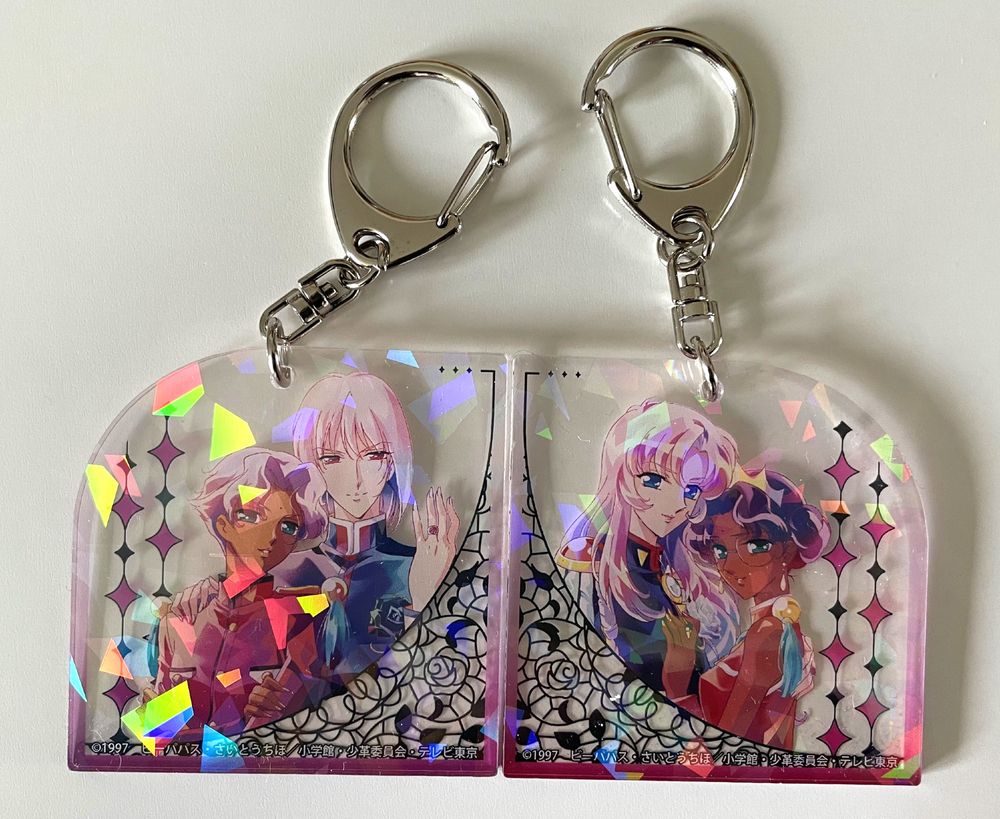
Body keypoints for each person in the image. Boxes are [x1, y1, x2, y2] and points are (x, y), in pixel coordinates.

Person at [557, 400, 740, 690]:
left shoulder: (678, 570)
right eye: (653, 480)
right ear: (620, 476)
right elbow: (575, 655)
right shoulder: (587, 561)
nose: (675, 503)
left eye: (691, 489)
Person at [148, 448, 330, 737]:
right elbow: (156, 733)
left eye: (288, 526)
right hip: (182, 762)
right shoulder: (183, 613)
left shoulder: (301, 615)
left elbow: (297, 723)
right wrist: (155, 717)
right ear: (223, 524)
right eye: (253, 515)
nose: (272, 536)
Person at [660, 469, 830, 749]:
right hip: (759, 769)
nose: (730, 566)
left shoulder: (769, 632)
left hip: (746, 771)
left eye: (755, 545)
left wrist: (678, 684)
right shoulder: (772, 628)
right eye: (720, 551)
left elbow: (725, 744)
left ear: (788, 550)